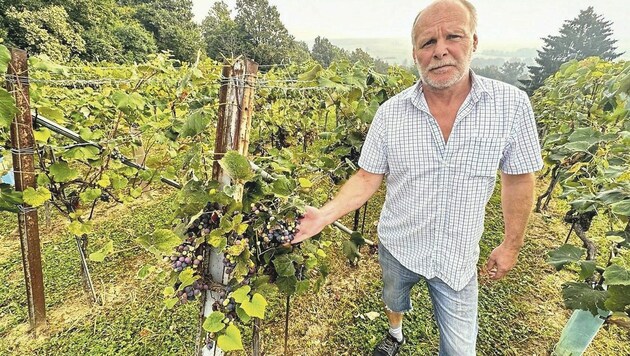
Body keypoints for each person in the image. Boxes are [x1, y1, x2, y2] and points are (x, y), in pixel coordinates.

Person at [292, 0, 543, 355]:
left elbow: (519, 179)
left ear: (473, 41)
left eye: (453, 36)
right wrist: (324, 215)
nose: (440, 50)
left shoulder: (512, 106)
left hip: (458, 258)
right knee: (394, 298)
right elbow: (366, 177)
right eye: (428, 42)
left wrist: (511, 244)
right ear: (415, 53)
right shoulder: (389, 114)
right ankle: (395, 333)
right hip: (398, 245)